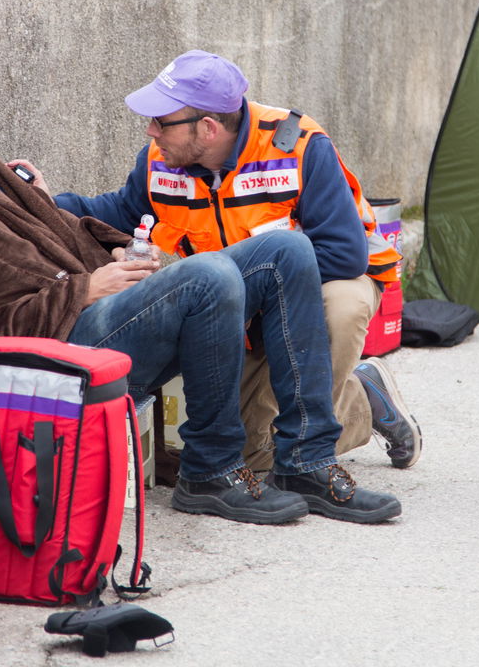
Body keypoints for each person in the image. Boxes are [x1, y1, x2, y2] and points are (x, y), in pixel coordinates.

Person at [0, 61, 401, 525]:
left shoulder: (300, 145)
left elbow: (51, 233)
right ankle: (210, 470)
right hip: (58, 349)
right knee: (208, 276)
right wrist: (84, 285)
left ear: (208, 127)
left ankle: (307, 463)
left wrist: (102, 253)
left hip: (120, 314)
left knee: (288, 253)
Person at [52, 50, 423, 472]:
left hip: (330, 282)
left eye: (161, 120)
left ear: (208, 128)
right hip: (244, 298)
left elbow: (343, 253)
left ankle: (308, 436)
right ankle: (365, 402)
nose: (150, 130)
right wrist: (31, 197)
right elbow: (112, 209)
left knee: (340, 309)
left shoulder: (298, 145)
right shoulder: (161, 161)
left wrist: (239, 287)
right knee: (249, 454)